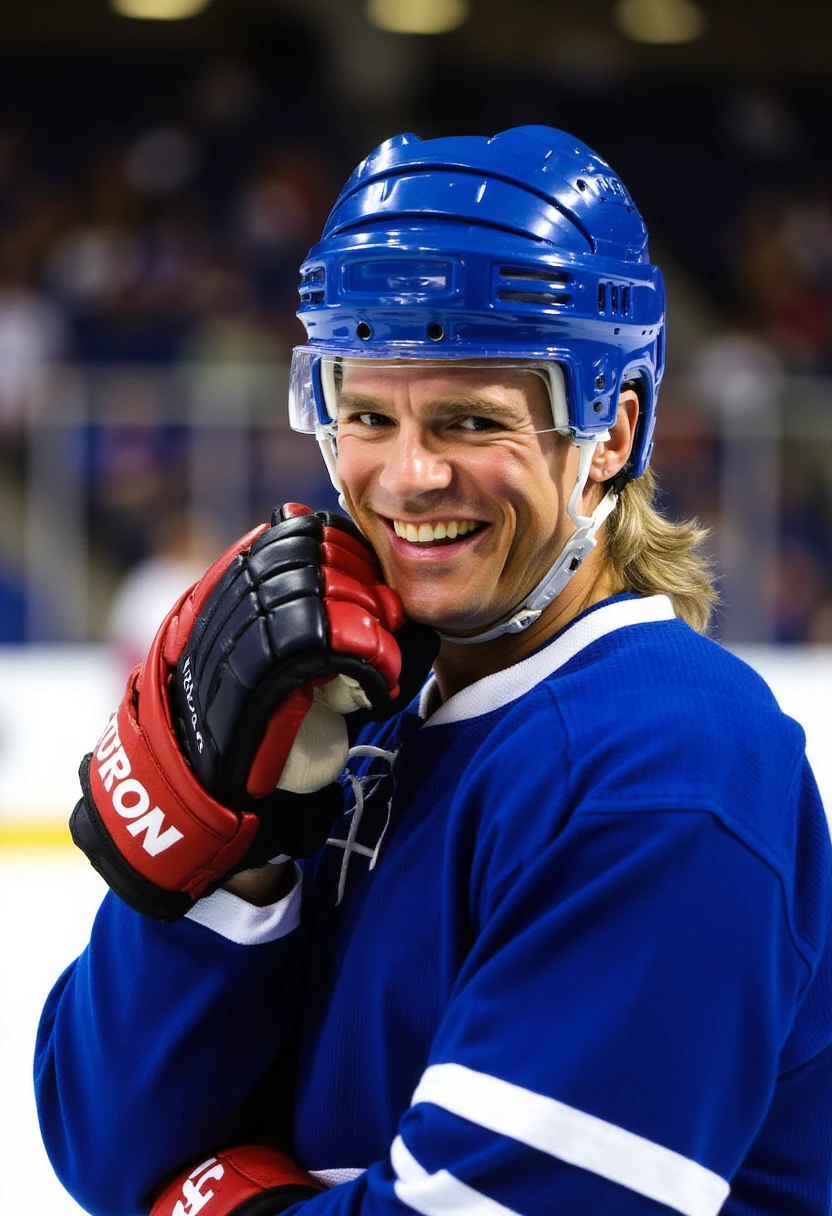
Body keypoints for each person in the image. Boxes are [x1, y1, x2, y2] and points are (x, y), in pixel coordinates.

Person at [35, 127, 832, 1216]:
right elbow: (106, 1139)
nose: (408, 476)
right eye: (367, 415)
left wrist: (218, 1204)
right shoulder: (354, 707)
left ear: (609, 431)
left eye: (470, 419)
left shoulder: (668, 764)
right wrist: (237, 854)